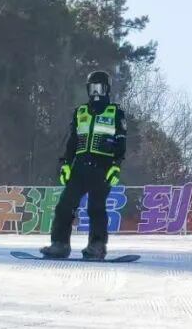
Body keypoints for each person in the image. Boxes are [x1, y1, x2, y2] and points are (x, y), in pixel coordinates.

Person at [41, 70, 127, 260]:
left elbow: (121, 142)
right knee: (65, 206)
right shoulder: (80, 112)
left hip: (102, 168)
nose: (96, 92)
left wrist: (116, 165)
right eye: (92, 88)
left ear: (107, 90)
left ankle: (97, 246)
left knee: (96, 207)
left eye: (100, 88)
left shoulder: (115, 112)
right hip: (79, 167)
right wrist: (65, 163)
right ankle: (60, 244)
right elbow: (72, 141)